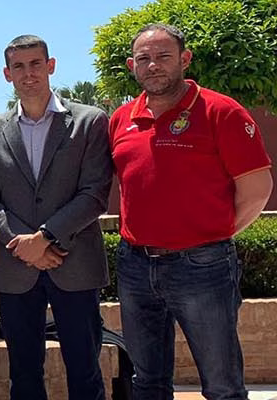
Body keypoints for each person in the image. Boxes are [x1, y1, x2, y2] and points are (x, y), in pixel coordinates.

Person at [108, 24, 273, 400]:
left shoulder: (221, 111)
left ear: (185, 59)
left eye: (163, 56)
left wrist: (209, 236)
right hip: (135, 265)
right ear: (133, 66)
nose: (153, 65)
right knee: (146, 382)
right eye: (144, 58)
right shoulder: (121, 118)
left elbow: (256, 189)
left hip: (203, 266)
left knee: (222, 385)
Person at [0, 35, 112, 400]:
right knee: (23, 376)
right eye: (18, 66)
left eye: (35, 64)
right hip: (17, 268)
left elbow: (95, 193)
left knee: (85, 372)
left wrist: (44, 238)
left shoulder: (89, 121)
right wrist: (24, 245)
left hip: (75, 264)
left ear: (51, 66)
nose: (28, 73)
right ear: (7, 74)